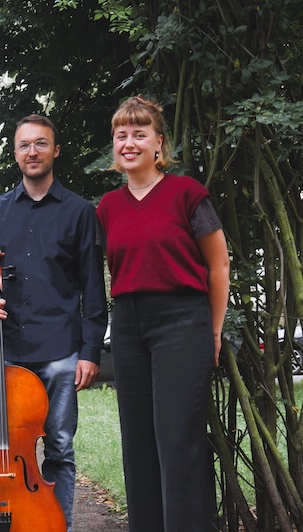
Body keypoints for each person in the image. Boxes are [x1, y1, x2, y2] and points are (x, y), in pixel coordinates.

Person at [96, 96, 229, 531]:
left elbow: (219, 266)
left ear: (159, 143)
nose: (129, 143)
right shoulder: (108, 207)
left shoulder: (186, 193)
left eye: (139, 134)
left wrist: (213, 332)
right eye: (121, 135)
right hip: (128, 324)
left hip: (181, 321)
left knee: (177, 442)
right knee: (137, 444)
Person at [0, 114, 108, 531]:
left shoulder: (80, 212)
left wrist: (90, 352)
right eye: (25, 145)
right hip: (6, 349)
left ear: (55, 150)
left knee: (60, 449)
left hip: (60, 351)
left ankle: (55, 525)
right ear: (15, 153)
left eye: (41, 143)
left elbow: (93, 287)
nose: (32, 152)